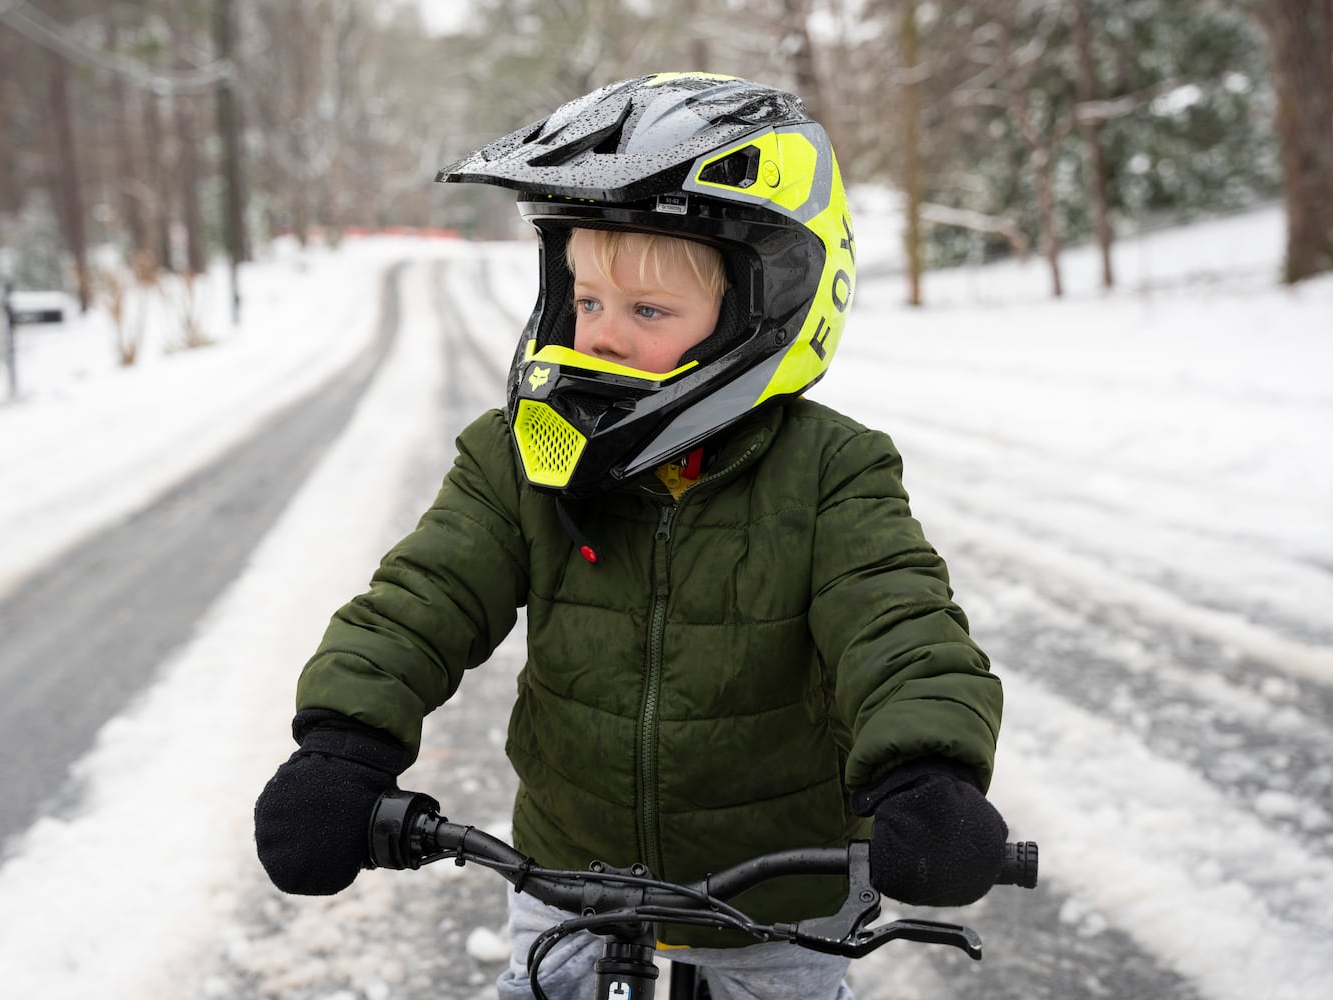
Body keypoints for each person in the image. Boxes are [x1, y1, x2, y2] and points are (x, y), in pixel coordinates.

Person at [254, 72, 1009, 1000]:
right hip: (572, 889)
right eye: (588, 300)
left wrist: (926, 773)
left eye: (647, 312)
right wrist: (344, 745)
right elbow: (423, 597)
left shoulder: (830, 471)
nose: (603, 336)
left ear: (761, 310)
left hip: (775, 909)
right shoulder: (525, 455)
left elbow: (897, 624)